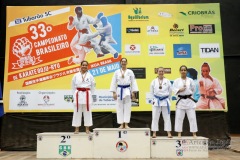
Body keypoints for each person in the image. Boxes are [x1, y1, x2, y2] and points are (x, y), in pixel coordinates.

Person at [110, 58, 138, 129]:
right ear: (120, 63)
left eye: (125, 61)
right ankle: (121, 124)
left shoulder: (130, 72)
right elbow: (113, 82)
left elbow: (133, 82)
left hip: (127, 90)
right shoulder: (116, 72)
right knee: (119, 107)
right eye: (122, 61)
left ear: (127, 63)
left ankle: (126, 123)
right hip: (119, 90)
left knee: (127, 107)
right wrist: (114, 92)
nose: (123, 63)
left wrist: (133, 92)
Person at [173, 65, 198, 138]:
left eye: (184, 70)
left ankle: (194, 133)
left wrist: (188, 93)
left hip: (189, 101)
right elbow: (174, 89)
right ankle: (179, 133)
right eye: (182, 70)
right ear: (180, 71)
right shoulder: (176, 81)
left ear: (186, 71)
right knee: (179, 118)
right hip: (180, 102)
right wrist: (179, 90)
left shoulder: (190, 80)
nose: (183, 71)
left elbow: (193, 89)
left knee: (192, 118)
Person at [71, 60, 95, 134]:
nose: (84, 66)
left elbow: (93, 86)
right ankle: (76, 128)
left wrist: (91, 95)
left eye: (85, 65)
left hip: (87, 94)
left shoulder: (90, 76)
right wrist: (73, 96)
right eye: (83, 65)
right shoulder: (76, 75)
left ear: (87, 67)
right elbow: (73, 86)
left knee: (87, 112)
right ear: (80, 66)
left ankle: (87, 128)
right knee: (77, 112)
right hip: (78, 94)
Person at [149, 67, 172, 138]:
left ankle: (168, 132)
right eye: (159, 71)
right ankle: (154, 132)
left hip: (165, 100)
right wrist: (153, 100)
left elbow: (170, 92)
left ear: (164, 72)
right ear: (157, 72)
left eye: (162, 71)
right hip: (156, 100)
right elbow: (151, 92)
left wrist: (168, 99)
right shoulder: (154, 81)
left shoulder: (167, 81)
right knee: (155, 117)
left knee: (167, 117)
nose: (161, 72)